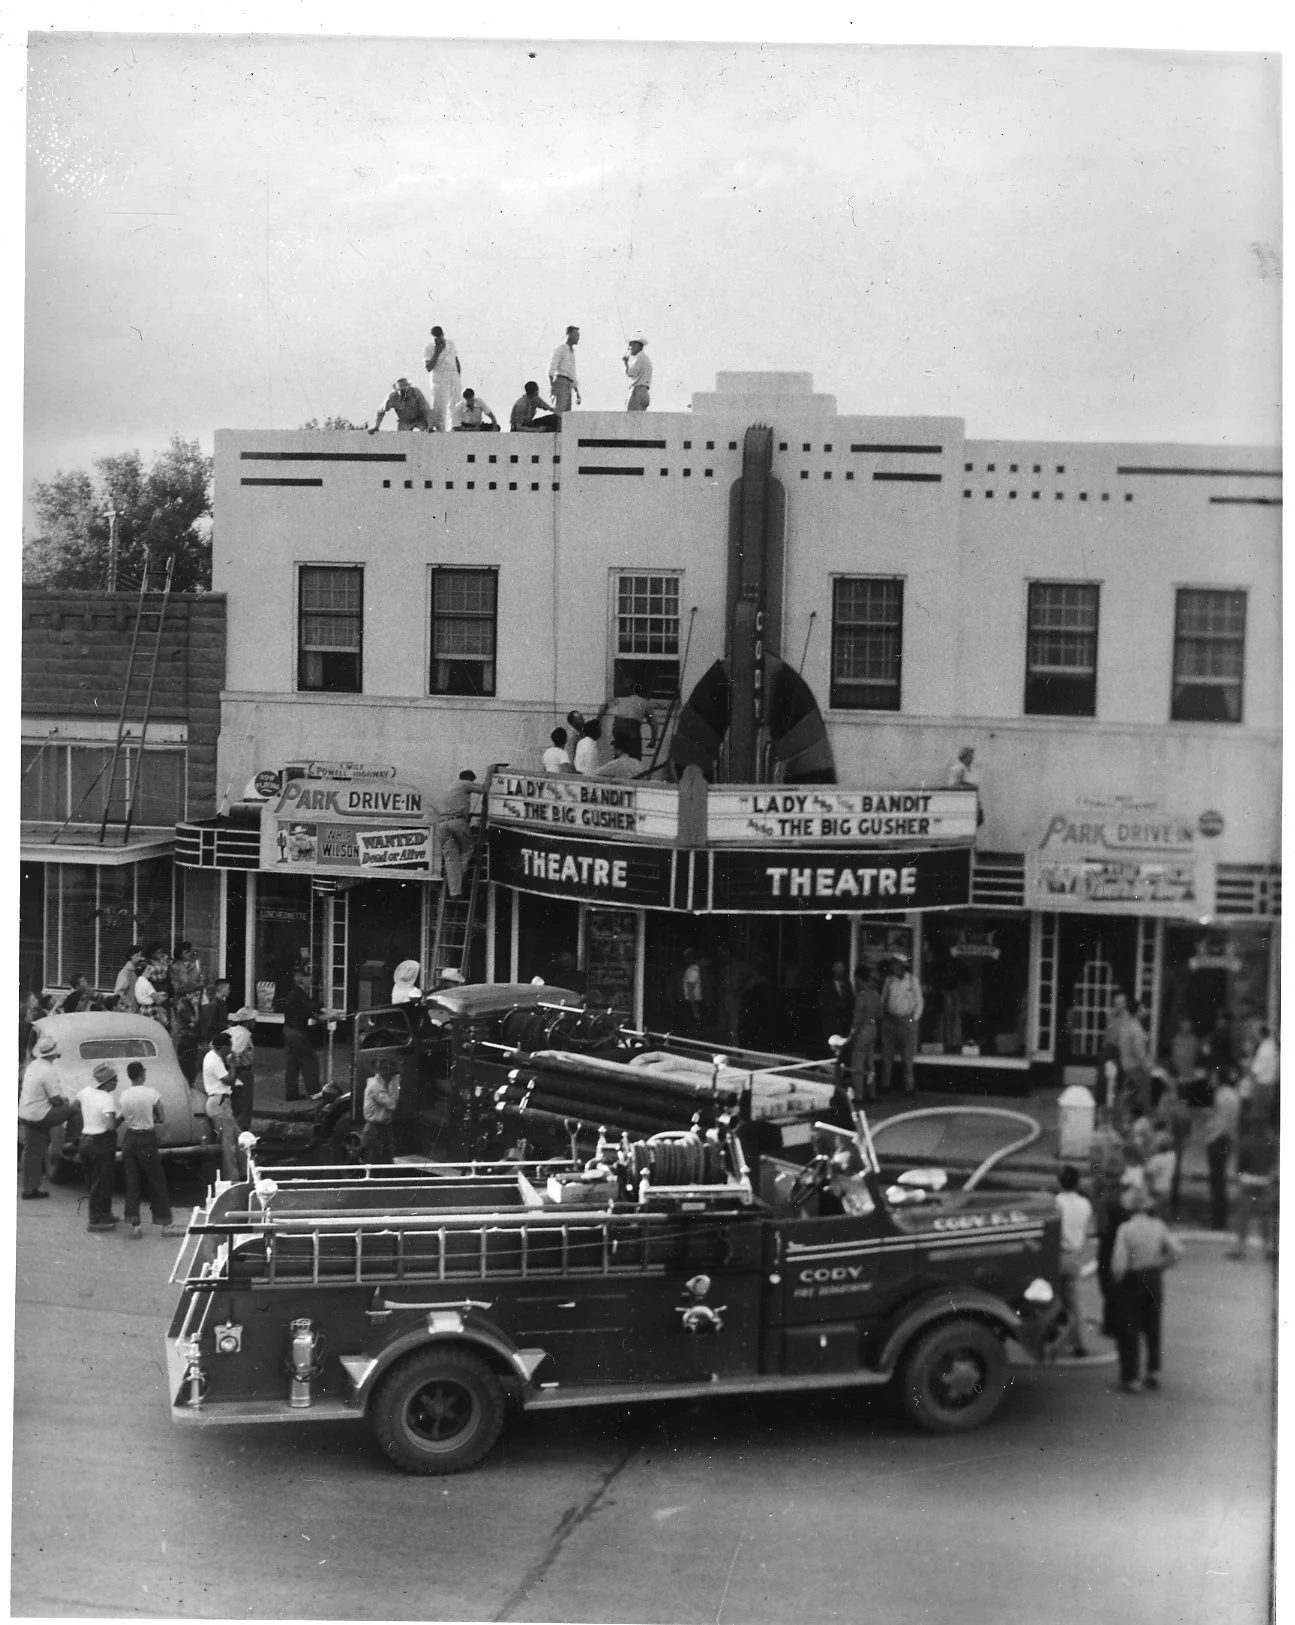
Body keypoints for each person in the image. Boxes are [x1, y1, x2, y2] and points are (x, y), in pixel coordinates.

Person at [1110, 1186, 1183, 1392]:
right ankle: (1153, 1371)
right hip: (1153, 1276)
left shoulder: (1126, 1229)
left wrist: (1118, 1280)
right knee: (1153, 1325)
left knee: (1129, 1327)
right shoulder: (1158, 1225)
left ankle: (1130, 1376)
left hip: (1132, 1278)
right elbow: (1177, 1250)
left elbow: (1118, 1264)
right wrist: (1162, 1264)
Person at [117, 1060, 183, 1239]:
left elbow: (119, 1118)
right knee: (156, 1181)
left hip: (130, 1139)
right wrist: (151, 1116)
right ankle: (165, 1224)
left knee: (132, 1182)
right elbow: (161, 1117)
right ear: (142, 1074)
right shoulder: (151, 1094)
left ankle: (135, 1225)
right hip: (146, 1139)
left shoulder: (124, 1095)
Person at [18, 1032, 76, 1200]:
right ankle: (73, 1139)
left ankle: (29, 1188)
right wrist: (67, 1101)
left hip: (26, 1112)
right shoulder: (48, 1071)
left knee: (31, 1152)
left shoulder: (33, 1066)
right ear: (54, 1054)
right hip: (40, 1115)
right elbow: (56, 1099)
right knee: (75, 1108)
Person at [76, 1062, 122, 1231]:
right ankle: (95, 1220)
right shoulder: (106, 1098)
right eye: (115, 1080)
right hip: (101, 1142)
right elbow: (110, 1125)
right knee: (102, 1182)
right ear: (107, 1082)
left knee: (95, 1181)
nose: (117, 1082)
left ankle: (105, 1213)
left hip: (85, 1139)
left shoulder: (85, 1093)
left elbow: (74, 1106)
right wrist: (121, 1116)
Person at [1055, 1164, 1094, 1357]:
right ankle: (1076, 1341)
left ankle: (1069, 1342)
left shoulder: (1056, 1203)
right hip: (1076, 1254)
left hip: (1058, 1254)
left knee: (1063, 1300)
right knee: (1071, 1299)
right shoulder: (1085, 1204)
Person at [1229, 1116, 1277, 1259]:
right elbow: (1273, 1162)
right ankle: (1268, 1249)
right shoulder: (1271, 1142)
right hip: (1264, 1181)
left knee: (1243, 1216)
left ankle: (1240, 1249)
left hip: (1248, 1181)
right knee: (1265, 1217)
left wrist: (1239, 1178)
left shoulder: (1246, 1142)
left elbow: (1240, 1165)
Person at [879, 955, 924, 1095]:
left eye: (895, 964)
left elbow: (919, 1001)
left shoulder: (912, 980)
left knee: (908, 1057)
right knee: (887, 1055)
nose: (893, 967)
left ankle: (909, 1087)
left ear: (902, 965)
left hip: (907, 1021)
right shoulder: (889, 980)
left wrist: (914, 1019)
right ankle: (885, 1085)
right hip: (890, 1021)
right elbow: (883, 1000)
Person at [202, 1031, 241, 1183]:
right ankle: (233, 1177)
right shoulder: (216, 1062)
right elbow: (229, 1080)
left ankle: (242, 1172)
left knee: (239, 1137)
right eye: (229, 1046)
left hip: (217, 1102)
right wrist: (232, 1066)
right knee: (229, 1142)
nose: (231, 1048)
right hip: (220, 1103)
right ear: (223, 1047)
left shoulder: (212, 1056)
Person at [433, 769, 478, 898]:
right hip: (457, 822)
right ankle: (461, 873)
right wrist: (490, 774)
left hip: (442, 824)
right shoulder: (465, 783)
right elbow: (484, 788)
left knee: (450, 859)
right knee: (468, 848)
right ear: (469, 778)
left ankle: (454, 891)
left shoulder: (449, 788)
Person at [1205, 1070, 1240, 1230]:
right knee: (1221, 1180)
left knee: (1216, 1181)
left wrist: (1210, 1136)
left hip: (1218, 1139)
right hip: (1228, 1139)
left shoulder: (1220, 1094)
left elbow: (1221, 1120)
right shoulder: (1235, 1094)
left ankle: (1217, 1220)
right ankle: (1221, 1218)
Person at [280, 971, 321, 1102]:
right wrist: (322, 1009)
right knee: (310, 1060)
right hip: (297, 1032)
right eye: (309, 980)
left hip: (288, 1030)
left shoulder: (293, 993)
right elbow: (311, 1008)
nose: (311, 983)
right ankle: (314, 1092)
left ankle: (291, 1093)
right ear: (303, 980)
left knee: (292, 1062)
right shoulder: (300, 994)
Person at [846, 966, 883, 1103]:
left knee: (857, 1062)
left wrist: (851, 1036)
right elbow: (879, 1014)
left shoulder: (861, 996)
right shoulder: (876, 994)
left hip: (863, 1030)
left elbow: (857, 1019)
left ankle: (859, 1095)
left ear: (859, 979)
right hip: (873, 1028)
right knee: (870, 1061)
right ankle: (872, 1093)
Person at [360, 1055, 402, 1164]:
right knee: (374, 1162)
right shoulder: (375, 1086)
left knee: (386, 1161)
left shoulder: (381, 1084)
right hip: (374, 1129)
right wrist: (396, 1083)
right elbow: (391, 1104)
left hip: (384, 1127)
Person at [423, 326, 461, 431]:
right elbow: (428, 367)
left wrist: (458, 376)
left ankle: (455, 427)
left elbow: (456, 360)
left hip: (453, 375)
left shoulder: (450, 344)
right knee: (439, 405)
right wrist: (437, 351)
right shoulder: (429, 347)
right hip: (439, 377)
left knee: (456, 402)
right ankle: (440, 429)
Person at [226, 1005, 258, 1130]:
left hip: (235, 1073)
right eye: (253, 1019)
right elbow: (233, 1053)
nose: (255, 1022)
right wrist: (234, 1067)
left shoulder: (233, 1030)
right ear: (247, 1022)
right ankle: (241, 1134)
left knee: (237, 1105)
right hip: (242, 1073)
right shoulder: (243, 1035)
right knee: (243, 1106)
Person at [369, 377, 434, 434]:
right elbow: (381, 411)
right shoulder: (392, 397)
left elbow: (426, 409)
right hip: (405, 421)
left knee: (425, 433)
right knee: (402, 438)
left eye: (405, 390)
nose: (404, 393)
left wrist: (430, 426)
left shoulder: (415, 392)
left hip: (420, 418)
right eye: (401, 390)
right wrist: (376, 426)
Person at [818, 962, 854, 1054]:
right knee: (831, 1046)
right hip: (831, 1021)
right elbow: (823, 1004)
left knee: (842, 1046)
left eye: (842, 971)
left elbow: (851, 1001)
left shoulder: (847, 984)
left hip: (843, 1022)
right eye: (839, 971)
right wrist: (834, 1007)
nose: (841, 973)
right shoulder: (827, 986)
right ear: (834, 972)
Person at [549, 325, 581, 414]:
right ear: (569, 335)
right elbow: (552, 369)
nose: (578, 338)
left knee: (567, 412)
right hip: (561, 381)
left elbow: (572, 372)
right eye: (576, 335)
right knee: (560, 410)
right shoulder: (561, 349)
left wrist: (576, 391)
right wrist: (553, 386)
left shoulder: (572, 352)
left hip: (569, 384)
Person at [623, 334, 652, 411]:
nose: (629, 348)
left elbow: (632, 373)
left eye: (631, 345)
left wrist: (626, 363)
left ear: (637, 346)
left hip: (637, 392)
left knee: (631, 419)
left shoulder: (639, 357)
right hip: (644, 392)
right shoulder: (646, 358)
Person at [680, 948, 706, 1031]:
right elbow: (690, 992)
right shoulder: (694, 971)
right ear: (701, 959)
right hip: (692, 1003)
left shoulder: (695, 969)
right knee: (694, 1030)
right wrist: (695, 1010)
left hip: (693, 1002)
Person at [113, 947, 146, 1011]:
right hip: (129, 1007)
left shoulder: (138, 971)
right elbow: (119, 991)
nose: (140, 958)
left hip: (136, 1006)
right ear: (131, 956)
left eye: (140, 955)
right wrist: (126, 1005)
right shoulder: (126, 972)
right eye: (137, 955)